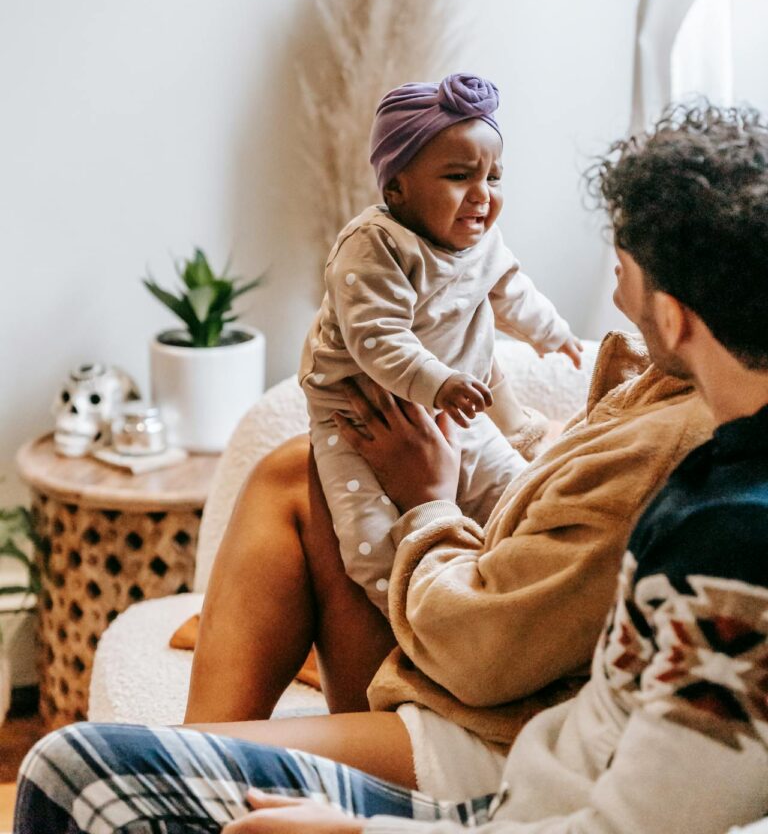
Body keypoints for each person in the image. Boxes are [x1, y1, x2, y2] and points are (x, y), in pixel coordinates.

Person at [18, 99, 768, 833]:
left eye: (623, 266)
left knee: (70, 764)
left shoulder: (701, 496)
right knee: (300, 470)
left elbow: (494, 658)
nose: (612, 288)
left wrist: (431, 503)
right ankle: (195, 759)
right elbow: (569, 501)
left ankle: (191, 767)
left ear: (674, 317)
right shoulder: (681, 399)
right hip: (503, 688)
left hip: (488, 729)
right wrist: (506, 442)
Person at [302, 72, 582, 611]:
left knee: (520, 501)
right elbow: (376, 338)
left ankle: (490, 597)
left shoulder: (482, 244)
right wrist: (441, 382)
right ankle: (414, 622)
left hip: (454, 407)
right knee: (369, 544)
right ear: (396, 188)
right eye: (459, 176)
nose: (482, 195)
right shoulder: (376, 244)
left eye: (494, 177)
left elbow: (514, 293)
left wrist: (555, 335)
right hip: (359, 413)